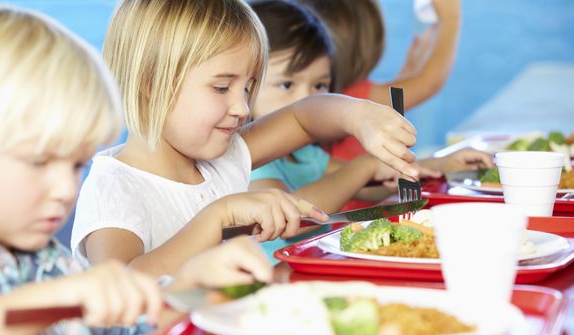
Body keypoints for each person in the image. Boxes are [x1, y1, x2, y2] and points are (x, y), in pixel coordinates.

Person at [0, 3, 272, 335]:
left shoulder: (45, 262)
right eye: (38, 161)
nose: (65, 190)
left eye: (75, 164)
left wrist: (191, 290)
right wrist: (51, 301)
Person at [71, 0, 419, 276]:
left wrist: (358, 116)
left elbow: (303, 118)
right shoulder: (115, 187)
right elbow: (120, 287)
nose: (241, 106)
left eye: (248, 87)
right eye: (222, 87)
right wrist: (218, 216)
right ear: (149, 81)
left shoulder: (222, 159)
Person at [248, 0, 493, 260]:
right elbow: (293, 216)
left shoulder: (305, 154)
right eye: (287, 85)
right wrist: (365, 166)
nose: (306, 98)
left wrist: (434, 166)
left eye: (319, 86)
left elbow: (363, 186)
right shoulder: (251, 161)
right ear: (246, 84)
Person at [298, 0, 461, 161]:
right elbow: (429, 84)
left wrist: (409, 71)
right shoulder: (353, 98)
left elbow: (396, 100)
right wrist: (450, 18)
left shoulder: (324, 98)